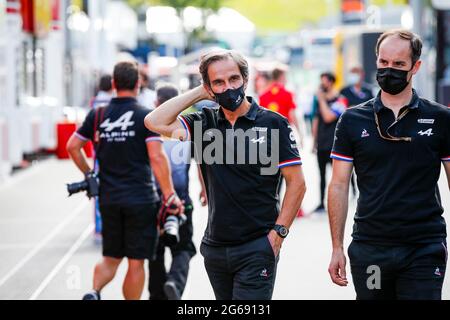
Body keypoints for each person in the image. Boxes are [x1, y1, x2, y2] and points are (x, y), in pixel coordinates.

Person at [145, 49, 306, 300]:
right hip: (215, 248)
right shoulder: (203, 122)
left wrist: (278, 234)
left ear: (245, 79)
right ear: (209, 87)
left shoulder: (273, 124)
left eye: (233, 79)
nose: (228, 87)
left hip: (257, 246)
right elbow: (155, 121)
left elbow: (297, 184)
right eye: (218, 82)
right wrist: (200, 91)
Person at [328, 29, 450, 300]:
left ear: (415, 67)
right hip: (370, 247)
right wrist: (337, 247)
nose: (389, 70)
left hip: (424, 247)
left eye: (398, 64)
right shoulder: (351, 120)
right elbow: (338, 185)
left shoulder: (441, 118)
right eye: (383, 63)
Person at [66, 61, 182, 300]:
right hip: (140, 199)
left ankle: (94, 291)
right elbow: (157, 157)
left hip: (109, 199)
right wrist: (170, 194)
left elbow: (73, 146)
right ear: (138, 84)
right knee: (136, 263)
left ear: (114, 84)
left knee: (110, 259)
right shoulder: (146, 117)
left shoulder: (97, 115)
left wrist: (89, 175)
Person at [148, 83, 205, 300]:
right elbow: (201, 161)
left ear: (156, 104)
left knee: (155, 252)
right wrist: (204, 189)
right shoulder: (185, 130)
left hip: (153, 199)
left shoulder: (150, 128)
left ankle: (156, 296)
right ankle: (174, 282)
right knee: (184, 248)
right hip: (180, 199)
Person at [312, 72, 348, 213]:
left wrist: (321, 100)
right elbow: (316, 120)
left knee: (337, 177)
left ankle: (338, 202)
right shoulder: (318, 101)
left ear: (331, 82)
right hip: (322, 142)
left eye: (325, 81)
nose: (322, 84)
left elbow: (328, 117)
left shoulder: (341, 100)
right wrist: (314, 141)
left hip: (335, 143)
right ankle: (321, 203)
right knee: (321, 175)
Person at [340, 66, 374, 197]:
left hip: (366, 130)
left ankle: (361, 188)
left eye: (356, 73)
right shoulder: (344, 91)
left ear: (362, 74)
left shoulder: (368, 90)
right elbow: (340, 107)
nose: (354, 76)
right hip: (349, 129)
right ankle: (351, 188)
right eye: (352, 73)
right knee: (347, 162)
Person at [259, 65, 300, 134]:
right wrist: (299, 133)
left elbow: (260, 117)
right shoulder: (288, 94)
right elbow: (292, 115)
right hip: (283, 131)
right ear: (281, 76)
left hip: (268, 132)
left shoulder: (263, 95)